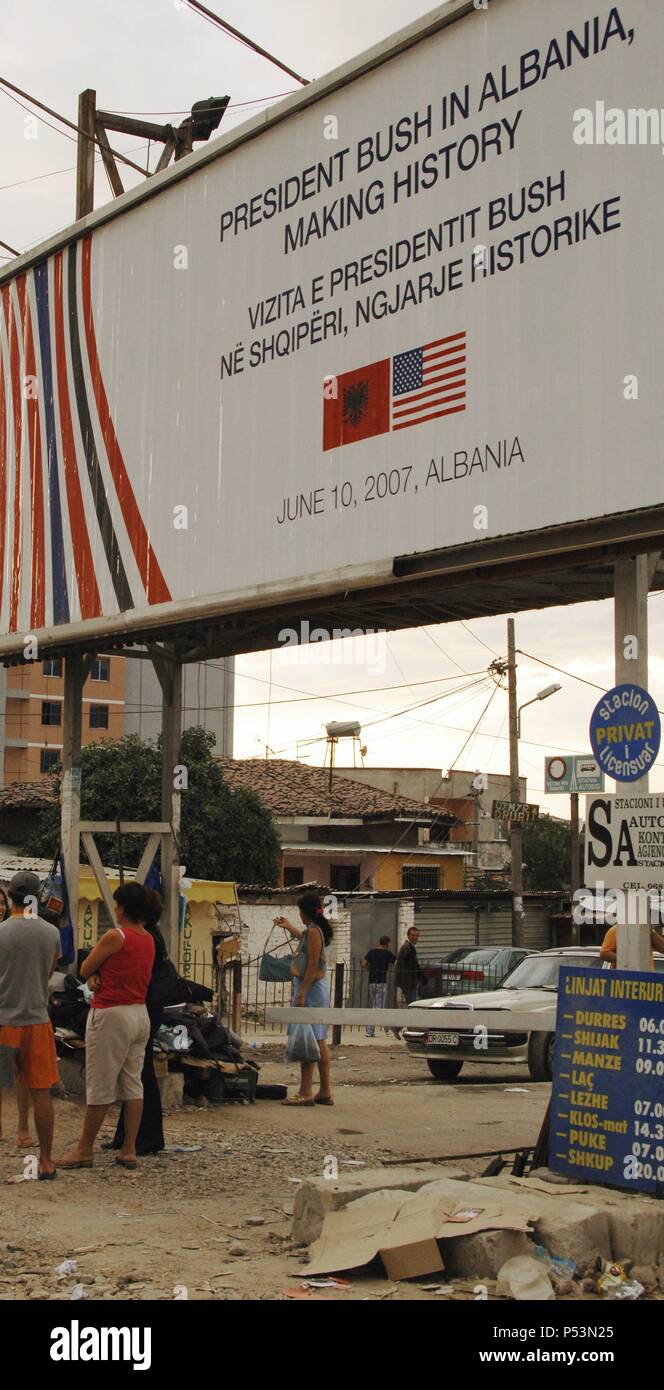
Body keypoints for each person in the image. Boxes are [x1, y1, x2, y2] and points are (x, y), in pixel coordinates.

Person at [58, 881, 155, 1171]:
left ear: (123, 907)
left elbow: (86, 966)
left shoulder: (116, 936)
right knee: (132, 1082)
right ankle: (129, 1149)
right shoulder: (148, 938)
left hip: (112, 1013)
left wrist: (92, 976)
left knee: (100, 1084)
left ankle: (83, 1149)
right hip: (139, 1013)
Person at [0, 871, 61, 1178]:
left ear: (9, 897)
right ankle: (46, 1161)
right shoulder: (51, 933)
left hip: (3, 1021)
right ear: (36, 898)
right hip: (37, 1020)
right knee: (41, 1093)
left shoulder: (0, 933)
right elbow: (49, 973)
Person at [102, 888, 166, 1156]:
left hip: (141, 1005)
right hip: (144, 1007)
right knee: (134, 1074)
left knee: (139, 1075)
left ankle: (145, 1137)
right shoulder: (151, 935)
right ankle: (127, 1137)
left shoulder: (145, 936)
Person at [273, 891, 334, 1107]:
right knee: (319, 1039)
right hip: (315, 989)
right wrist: (289, 927)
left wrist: (302, 991)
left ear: (305, 911)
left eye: (299, 911)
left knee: (308, 1039)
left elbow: (313, 963)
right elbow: (306, 941)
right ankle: (325, 1090)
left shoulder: (315, 931)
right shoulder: (315, 930)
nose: (299, 915)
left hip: (311, 989)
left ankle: (306, 1091)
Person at [363, 935, 396, 1037]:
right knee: (377, 1007)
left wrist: (371, 969)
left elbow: (364, 964)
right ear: (387, 944)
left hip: (372, 982)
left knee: (376, 1005)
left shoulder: (371, 952)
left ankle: (387, 1029)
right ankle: (370, 1031)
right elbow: (395, 963)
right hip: (382, 982)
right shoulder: (388, 954)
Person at [600, 918, 664, 968]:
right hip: (625, 978)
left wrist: (651, 932)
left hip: (646, 979)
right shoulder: (617, 930)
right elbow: (604, 954)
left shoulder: (648, 932)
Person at [395, 925, 426, 1005]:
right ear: (408, 936)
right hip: (409, 982)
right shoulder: (408, 948)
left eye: (417, 935)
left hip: (408, 981)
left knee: (412, 1003)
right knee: (413, 1004)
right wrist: (421, 976)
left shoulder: (408, 947)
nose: (415, 937)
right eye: (413, 935)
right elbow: (413, 965)